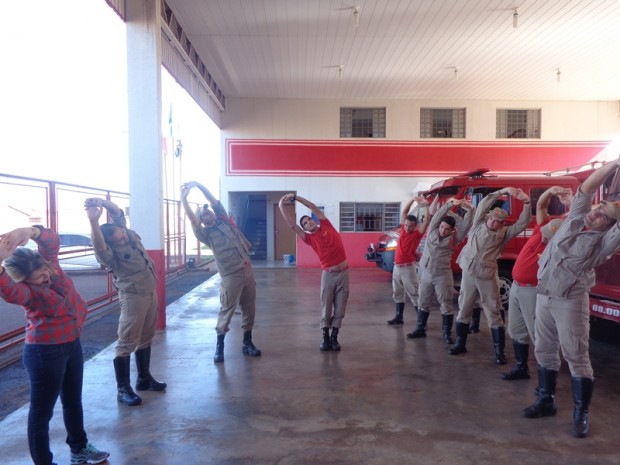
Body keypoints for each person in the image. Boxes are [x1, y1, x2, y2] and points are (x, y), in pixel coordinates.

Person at [523, 158, 620, 438]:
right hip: (545, 294)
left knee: (576, 355)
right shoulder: (576, 218)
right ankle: (545, 400)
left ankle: (581, 413)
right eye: (598, 208)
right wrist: (613, 164)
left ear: (610, 225)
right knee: (544, 349)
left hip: (570, 300)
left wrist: (614, 207)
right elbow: (587, 189)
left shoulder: (605, 242)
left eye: (604, 215)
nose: (596, 213)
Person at [0, 225, 109, 465]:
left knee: (73, 401)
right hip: (45, 353)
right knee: (42, 413)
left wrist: (29, 232)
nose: (46, 277)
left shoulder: (52, 268)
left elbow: (51, 243)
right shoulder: (26, 292)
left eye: (45, 271)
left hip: (71, 343)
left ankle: (79, 449)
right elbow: (8, 291)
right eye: (39, 278)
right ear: (24, 280)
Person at [85, 198, 166, 407]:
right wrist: (93, 221)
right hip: (132, 296)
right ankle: (123, 389)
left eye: (122, 234)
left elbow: (117, 212)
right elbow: (99, 246)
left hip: (149, 292)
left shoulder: (125, 232)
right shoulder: (109, 253)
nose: (123, 239)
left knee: (147, 336)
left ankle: (144, 378)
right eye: (119, 240)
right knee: (127, 341)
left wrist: (102, 202)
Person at [181, 181, 261, 363]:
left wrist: (198, 185)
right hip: (231, 276)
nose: (208, 214)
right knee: (227, 310)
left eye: (208, 212)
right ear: (202, 221)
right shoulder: (205, 234)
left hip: (247, 269)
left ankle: (247, 342)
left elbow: (213, 200)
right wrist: (184, 199)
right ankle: (220, 346)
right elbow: (192, 220)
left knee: (249, 307)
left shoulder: (224, 220)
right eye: (204, 215)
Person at [449, 187, 531, 364]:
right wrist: (502, 191)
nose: (495, 223)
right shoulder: (478, 223)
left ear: (502, 224)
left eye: (499, 222)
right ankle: (460, 343)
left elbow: (522, 223)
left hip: (486, 275)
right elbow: (483, 204)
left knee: (493, 310)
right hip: (469, 272)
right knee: (464, 307)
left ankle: (499, 351)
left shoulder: (504, 233)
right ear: (488, 217)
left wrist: (526, 203)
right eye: (493, 219)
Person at [502, 186, 572, 381]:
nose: (544, 234)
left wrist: (572, 202)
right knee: (517, 330)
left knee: (539, 335)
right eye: (546, 230)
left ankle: (547, 377)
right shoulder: (540, 230)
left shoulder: (558, 247)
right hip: (516, 287)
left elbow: (578, 219)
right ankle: (521, 368)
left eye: (549, 234)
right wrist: (549, 192)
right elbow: (541, 206)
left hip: (533, 291)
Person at [278, 193, 349, 351]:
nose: (308, 222)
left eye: (309, 220)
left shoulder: (326, 225)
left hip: (344, 273)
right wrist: (281, 206)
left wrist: (296, 198)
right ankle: (325, 337)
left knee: (340, 307)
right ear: (304, 229)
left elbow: (312, 207)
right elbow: (292, 225)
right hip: (328, 275)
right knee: (326, 306)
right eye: (305, 223)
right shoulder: (309, 239)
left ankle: (334, 337)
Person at [410, 197, 474, 343]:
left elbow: (466, 225)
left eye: (447, 229)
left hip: (442, 275)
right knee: (423, 301)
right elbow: (438, 215)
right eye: (442, 227)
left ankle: (446, 333)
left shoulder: (455, 238)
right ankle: (420, 329)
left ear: (452, 231)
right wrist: (450, 204)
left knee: (446, 304)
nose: (443, 231)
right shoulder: (433, 229)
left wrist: (469, 210)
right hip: (426, 273)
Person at [385, 196, 429, 327]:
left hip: (408, 268)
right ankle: (399, 317)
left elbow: (426, 221)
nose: (407, 228)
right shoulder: (403, 231)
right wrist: (413, 199)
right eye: (406, 225)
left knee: (414, 293)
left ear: (415, 226)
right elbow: (404, 212)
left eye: (410, 226)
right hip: (397, 267)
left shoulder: (416, 235)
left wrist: (426, 206)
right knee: (398, 292)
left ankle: (421, 322)